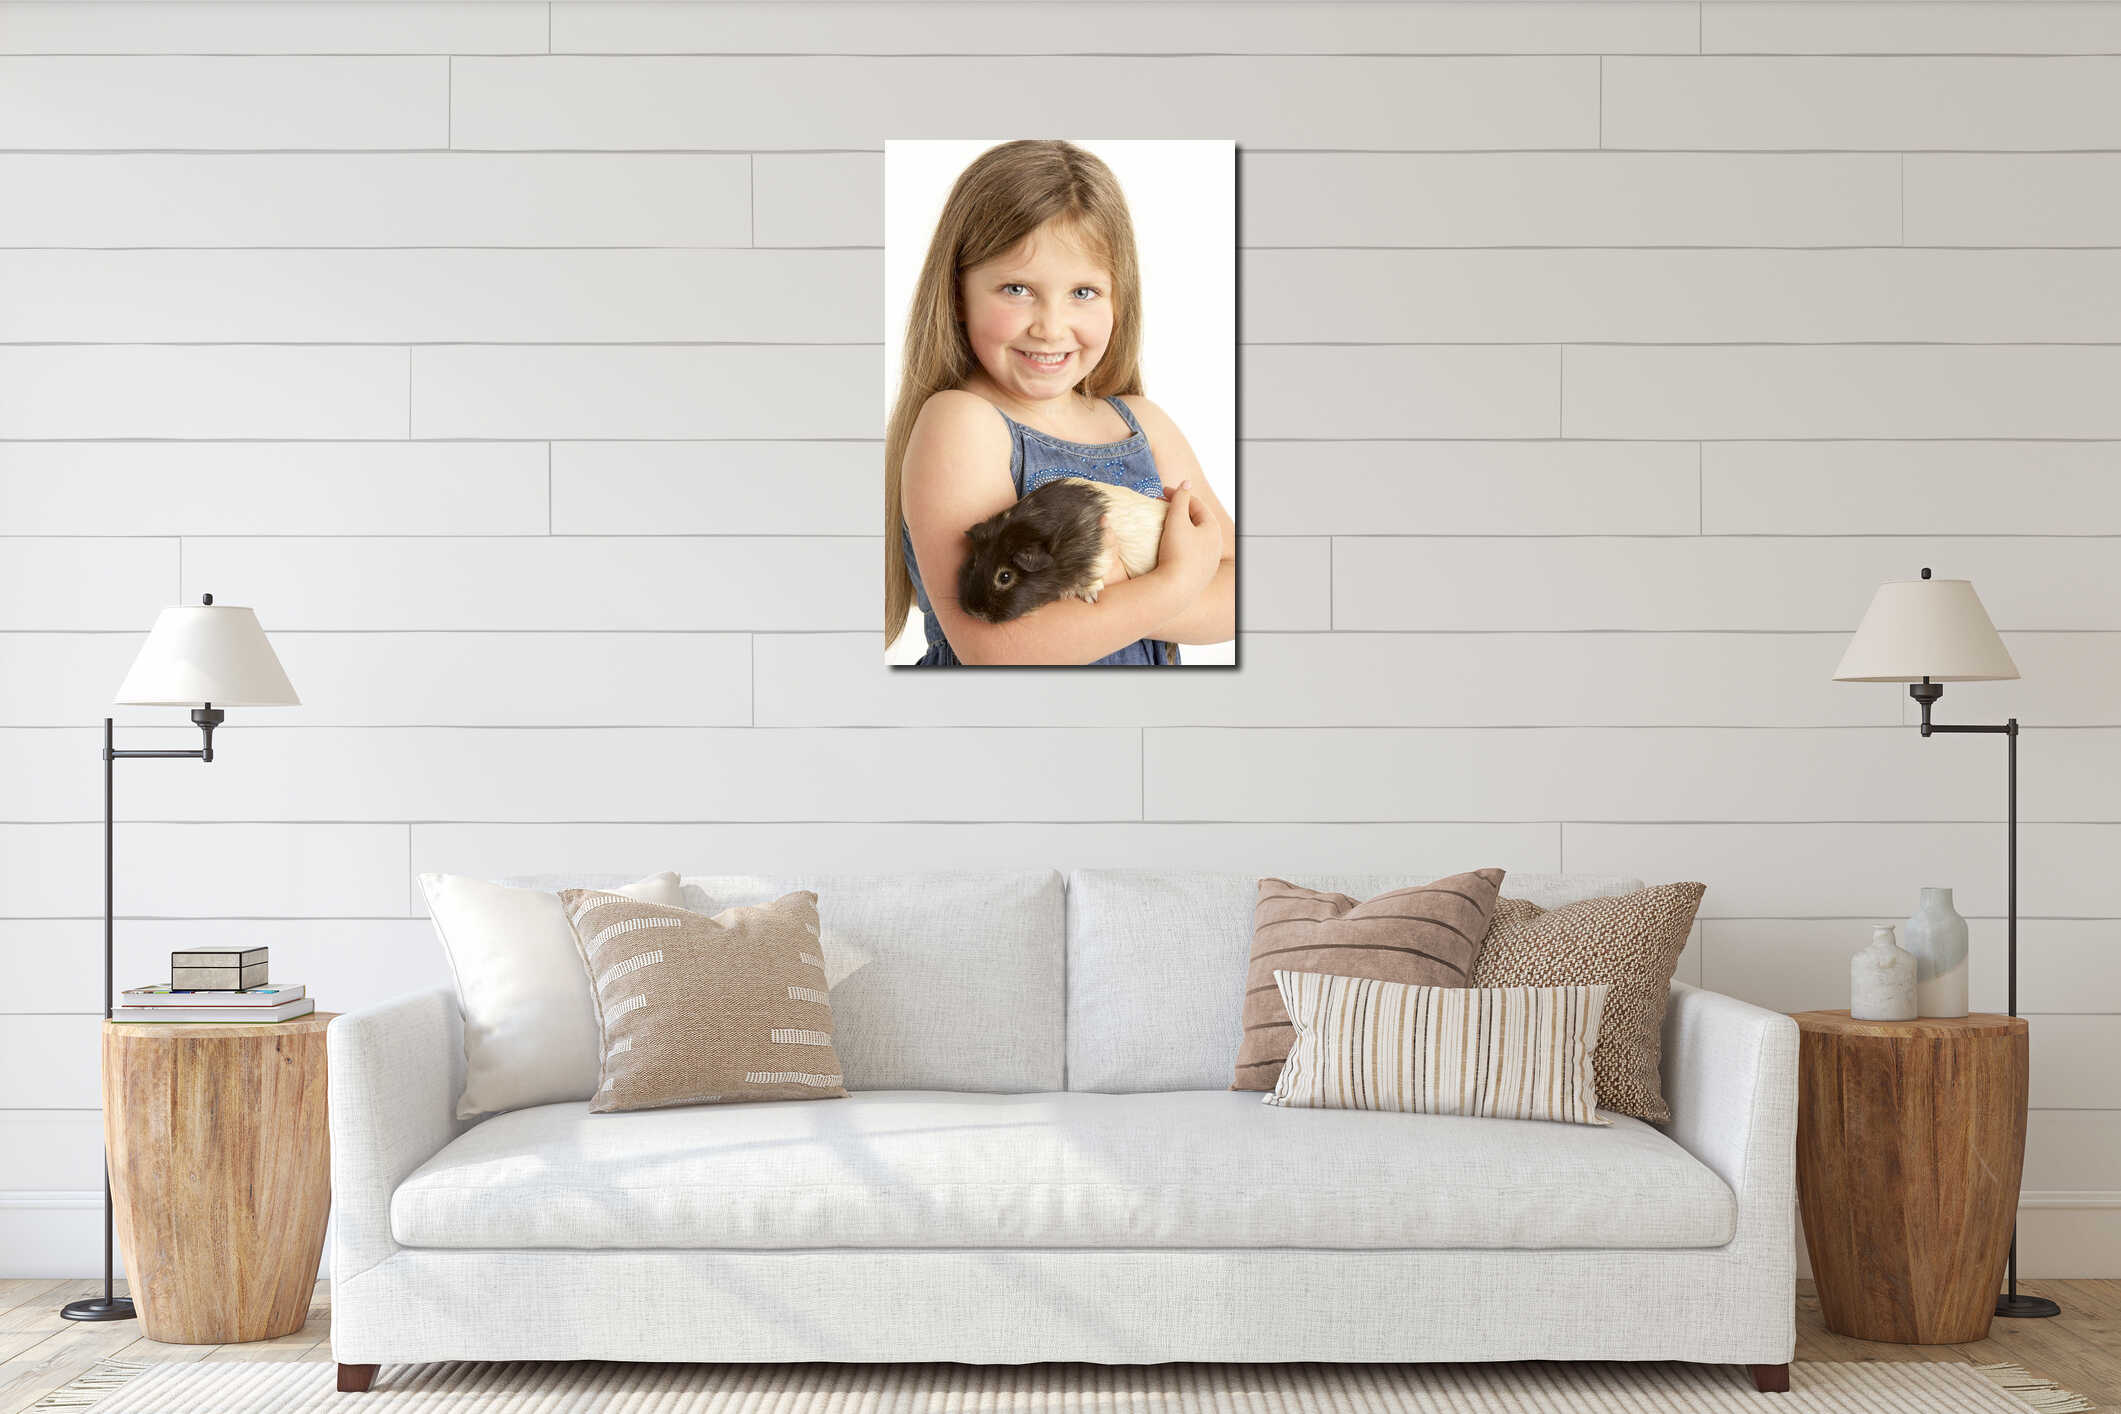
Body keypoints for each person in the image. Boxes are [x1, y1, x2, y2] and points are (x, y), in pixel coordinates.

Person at [884, 140, 1235, 666]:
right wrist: (1178, 581)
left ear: (1120, 298)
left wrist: (1120, 597)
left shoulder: (1144, 425)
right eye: (1017, 288)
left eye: (1084, 292)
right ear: (958, 294)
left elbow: (1239, 594)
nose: (1050, 327)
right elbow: (998, 645)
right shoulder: (962, 424)